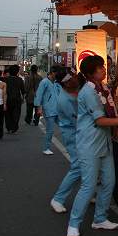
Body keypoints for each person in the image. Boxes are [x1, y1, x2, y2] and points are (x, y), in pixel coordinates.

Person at [66, 55, 118, 236]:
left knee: (109, 182)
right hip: (89, 145)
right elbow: (100, 120)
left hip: (104, 144)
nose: (103, 70)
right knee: (89, 186)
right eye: (100, 68)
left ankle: (99, 218)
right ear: (90, 73)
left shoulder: (103, 89)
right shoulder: (88, 93)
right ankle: (73, 224)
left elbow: (111, 114)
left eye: (103, 67)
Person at [50, 67, 81, 213]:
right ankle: (58, 198)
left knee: (89, 164)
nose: (75, 78)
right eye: (72, 77)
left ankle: (89, 192)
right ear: (66, 83)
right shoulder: (64, 100)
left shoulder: (76, 89)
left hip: (80, 132)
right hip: (73, 133)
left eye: (74, 75)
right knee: (78, 166)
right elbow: (77, 120)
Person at [34, 65, 60, 155]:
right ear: (52, 73)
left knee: (65, 127)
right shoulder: (44, 82)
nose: (58, 75)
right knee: (50, 130)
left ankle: (69, 146)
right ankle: (46, 148)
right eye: (56, 73)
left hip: (58, 109)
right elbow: (39, 95)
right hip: (48, 109)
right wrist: (39, 107)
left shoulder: (56, 83)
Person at [4, 64, 25, 133]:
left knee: (8, 114)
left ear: (9, 72)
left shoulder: (6, 80)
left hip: (8, 99)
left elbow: (4, 91)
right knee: (16, 114)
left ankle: (9, 127)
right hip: (17, 99)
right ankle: (14, 127)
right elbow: (23, 91)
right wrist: (23, 98)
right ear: (17, 72)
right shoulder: (20, 80)